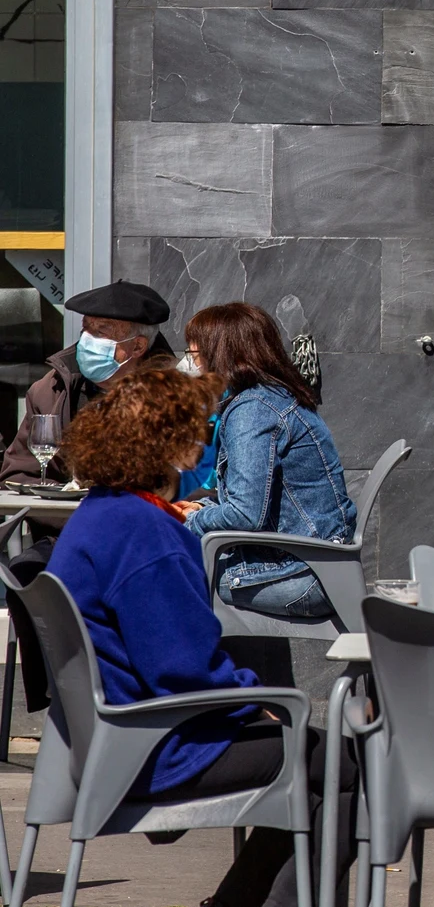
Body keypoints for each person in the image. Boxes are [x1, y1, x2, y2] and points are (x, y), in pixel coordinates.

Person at [45, 366, 352, 907]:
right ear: (168, 442)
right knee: (347, 763)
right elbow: (184, 668)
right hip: (159, 746)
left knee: (314, 754)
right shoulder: (145, 533)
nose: (203, 437)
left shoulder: (102, 515)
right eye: (195, 428)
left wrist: (252, 702)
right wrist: (255, 704)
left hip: (117, 738)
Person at [177, 303, 355, 620]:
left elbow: (246, 515)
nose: (191, 364)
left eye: (195, 354)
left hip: (297, 574)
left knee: (158, 572)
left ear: (222, 354)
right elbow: (254, 497)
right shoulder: (273, 395)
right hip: (311, 565)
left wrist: (187, 523)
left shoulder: (252, 410)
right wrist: (202, 509)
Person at [1, 280, 174, 484]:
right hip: (64, 515)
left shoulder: (177, 397)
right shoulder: (53, 389)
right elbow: (19, 474)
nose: (86, 340)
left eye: (101, 331)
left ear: (137, 347)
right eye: (85, 329)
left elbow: (198, 485)